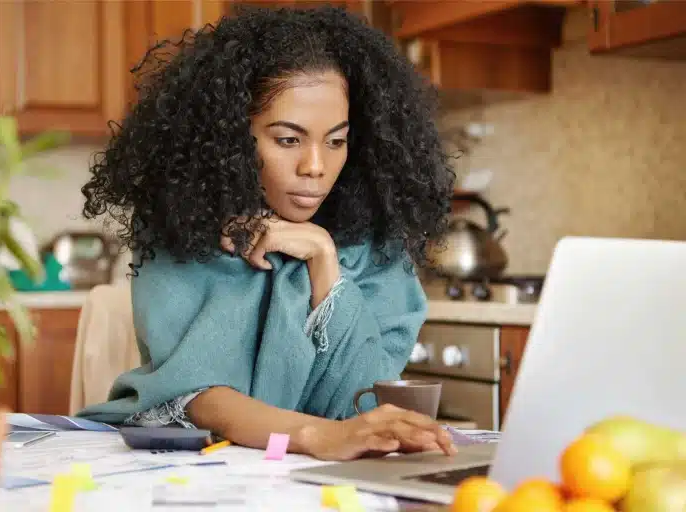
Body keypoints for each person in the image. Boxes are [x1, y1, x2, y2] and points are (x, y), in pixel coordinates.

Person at [78, 5, 456, 462]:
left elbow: (363, 403)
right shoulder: (181, 224)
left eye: (335, 141)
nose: (315, 166)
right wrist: (315, 437)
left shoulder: (375, 243)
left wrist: (323, 260)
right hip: (206, 478)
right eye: (288, 140)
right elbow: (198, 398)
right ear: (234, 136)